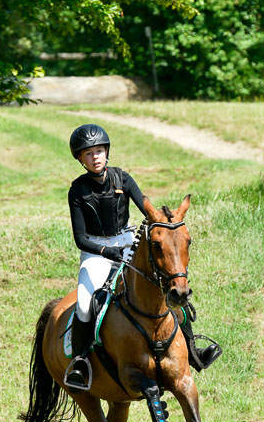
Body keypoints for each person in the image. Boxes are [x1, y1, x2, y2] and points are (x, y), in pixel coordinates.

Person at [64, 123, 221, 392]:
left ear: (107, 152)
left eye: (99, 151)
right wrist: (106, 251)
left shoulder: (123, 179)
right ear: (80, 158)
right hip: (96, 252)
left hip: (128, 245)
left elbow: (149, 212)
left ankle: (192, 350)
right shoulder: (77, 190)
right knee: (84, 304)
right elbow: (80, 238)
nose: (95, 157)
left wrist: (166, 225)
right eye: (88, 153)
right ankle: (80, 362)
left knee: (169, 290)